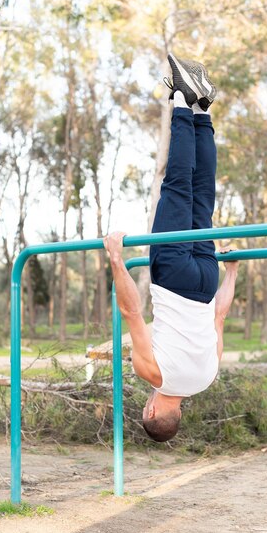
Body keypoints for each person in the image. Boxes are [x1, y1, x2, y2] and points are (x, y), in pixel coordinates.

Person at [104, 53, 239, 442]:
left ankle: (201, 111)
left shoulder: (207, 378)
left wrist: (230, 272)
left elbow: (220, 318)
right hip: (175, 276)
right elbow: (132, 311)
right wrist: (117, 260)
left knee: (202, 197)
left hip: (204, 283)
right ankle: (182, 100)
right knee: (179, 187)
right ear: (151, 410)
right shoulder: (154, 375)